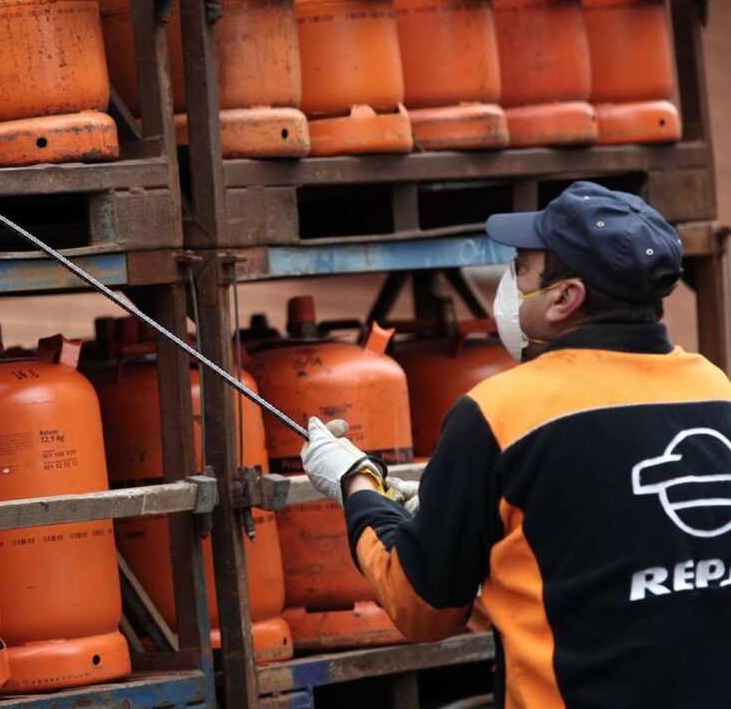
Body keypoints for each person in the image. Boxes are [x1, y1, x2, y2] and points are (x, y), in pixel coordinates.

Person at [300, 181, 731, 708]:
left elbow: (421, 607)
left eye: (521, 269)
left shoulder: (499, 414)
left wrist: (357, 487)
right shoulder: (719, 391)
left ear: (565, 299)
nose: (509, 282)